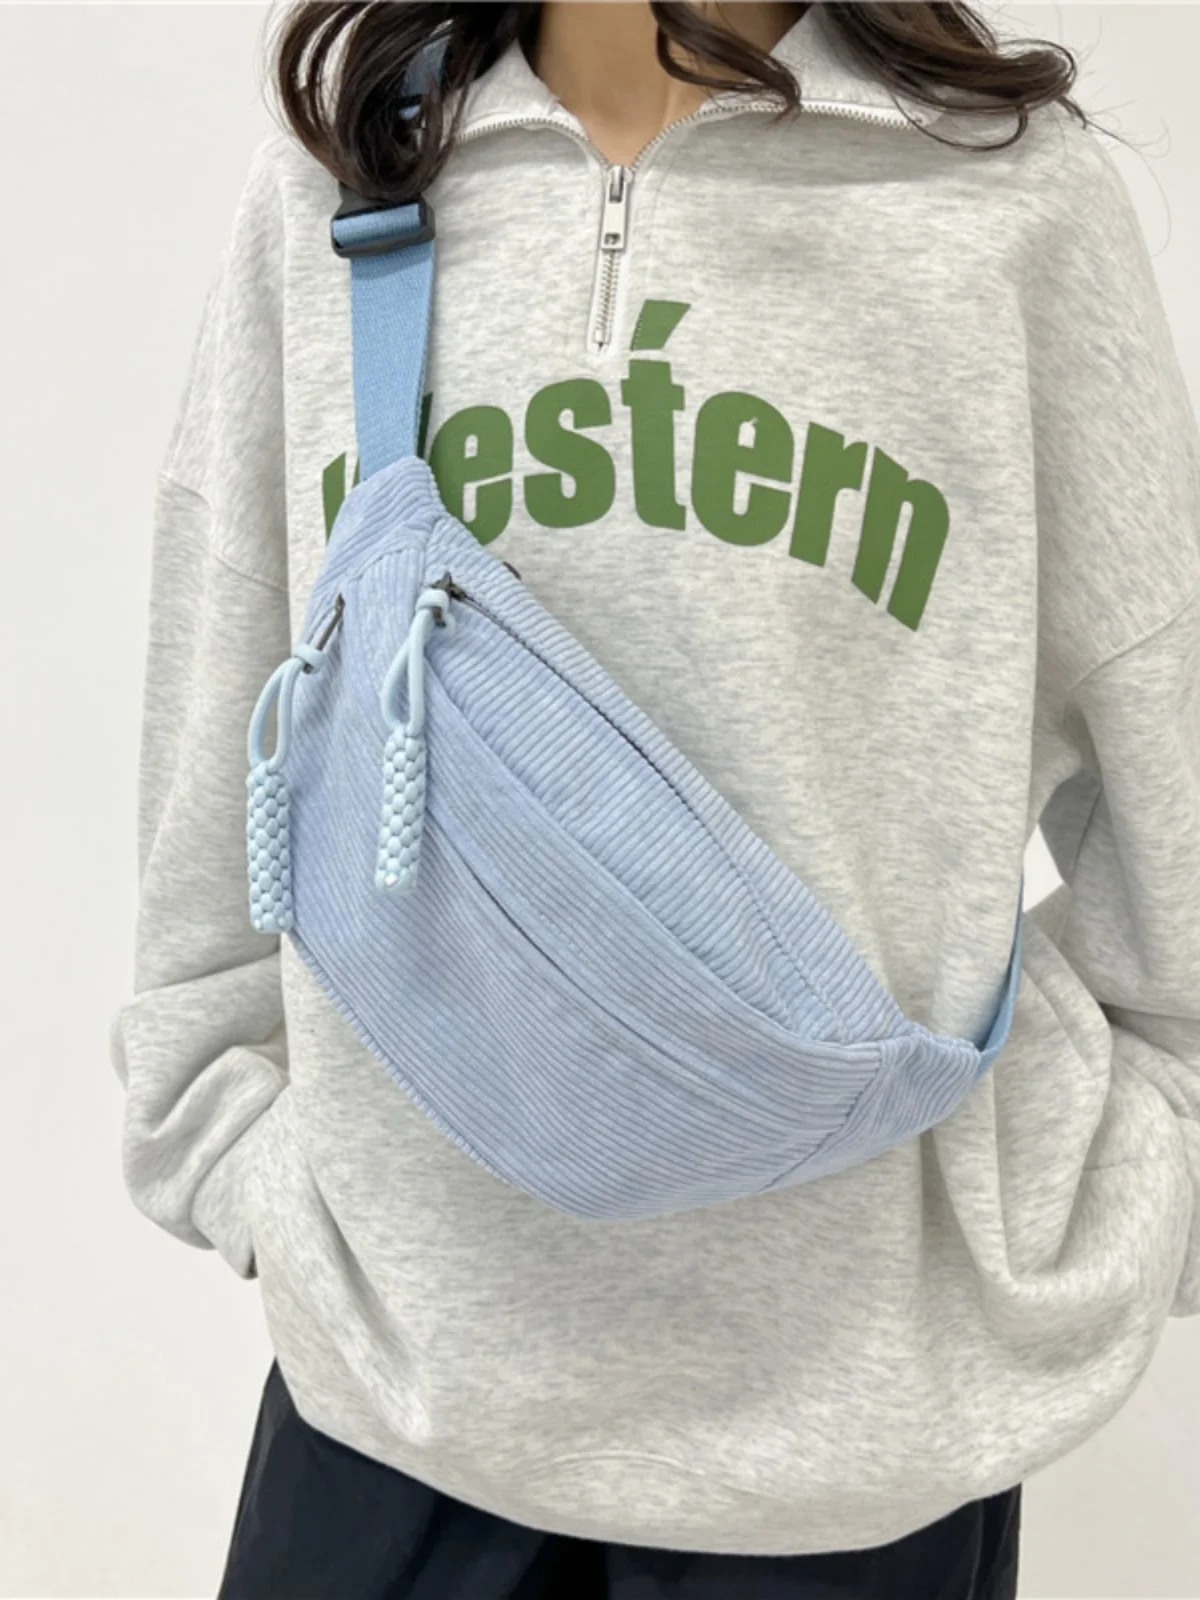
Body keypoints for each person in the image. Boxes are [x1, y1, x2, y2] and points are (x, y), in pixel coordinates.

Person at [109, 2, 1200, 1596]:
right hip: (388, 1406)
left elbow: (1170, 770)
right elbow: (221, 740)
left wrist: (1110, 1197)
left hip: (854, 1463)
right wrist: (254, 1171)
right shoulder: (342, 181)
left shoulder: (1009, 203)